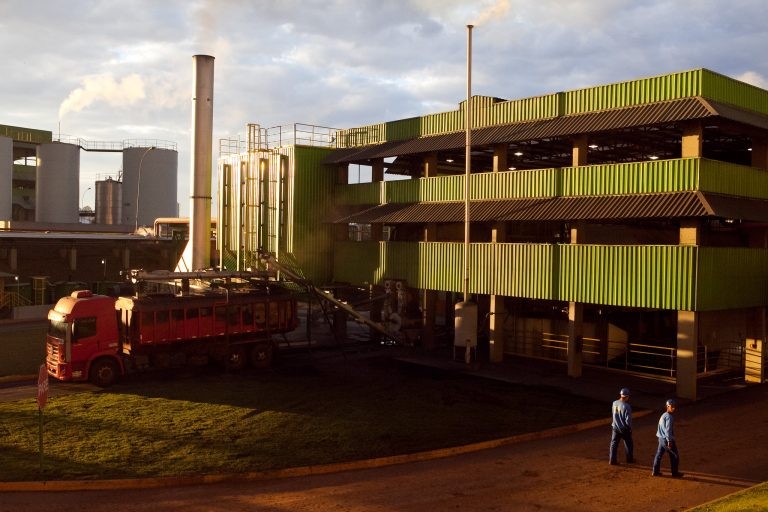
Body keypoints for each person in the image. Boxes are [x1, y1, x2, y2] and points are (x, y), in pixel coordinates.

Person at [652, 399, 683, 477]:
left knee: (658, 455)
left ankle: (655, 472)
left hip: (661, 439)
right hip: (666, 440)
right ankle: (675, 473)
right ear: (667, 406)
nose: (673, 408)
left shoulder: (663, 415)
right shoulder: (669, 417)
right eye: (671, 407)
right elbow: (668, 430)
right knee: (675, 456)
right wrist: (669, 441)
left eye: (674, 407)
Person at [609, 387, 634, 465]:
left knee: (614, 444)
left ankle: (612, 460)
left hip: (615, 427)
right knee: (629, 444)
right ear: (626, 396)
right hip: (624, 429)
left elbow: (613, 414)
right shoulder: (627, 406)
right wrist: (629, 428)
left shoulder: (614, 403)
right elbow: (628, 420)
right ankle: (629, 459)